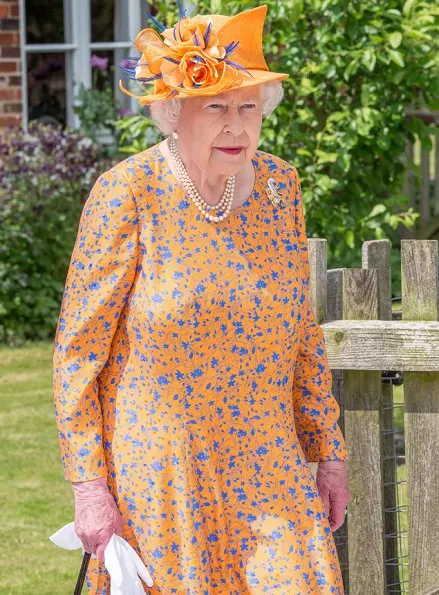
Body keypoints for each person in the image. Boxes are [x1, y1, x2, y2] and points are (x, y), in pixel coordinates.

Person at [52, 4, 350, 594]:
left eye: (248, 106)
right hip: (163, 479)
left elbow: (302, 330)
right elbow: (78, 352)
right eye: (215, 107)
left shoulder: (279, 187)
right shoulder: (127, 194)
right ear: (172, 113)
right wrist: (89, 485)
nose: (236, 127)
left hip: (270, 466)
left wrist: (328, 450)